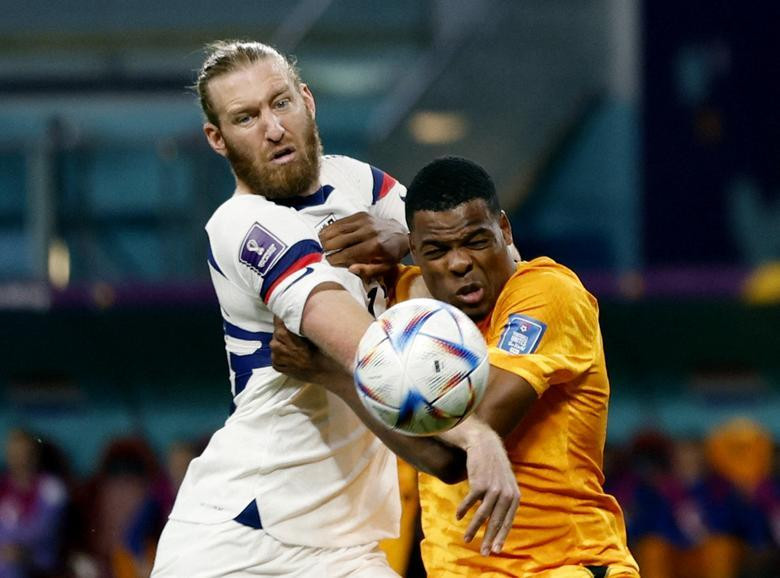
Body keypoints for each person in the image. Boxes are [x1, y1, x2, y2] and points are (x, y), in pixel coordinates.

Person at [151, 41, 518, 577]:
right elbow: (372, 357)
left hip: (343, 547)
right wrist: (477, 433)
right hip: (239, 542)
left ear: (308, 100)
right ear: (218, 139)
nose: (272, 128)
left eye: (281, 103)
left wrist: (406, 239)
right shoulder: (240, 225)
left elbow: (498, 260)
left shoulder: (358, 183)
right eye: (246, 118)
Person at [271, 156, 641, 576]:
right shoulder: (410, 302)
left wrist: (335, 375)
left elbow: (461, 439)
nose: (459, 263)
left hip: (563, 565)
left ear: (504, 230)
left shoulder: (548, 294)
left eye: (476, 241)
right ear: (416, 251)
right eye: (438, 250)